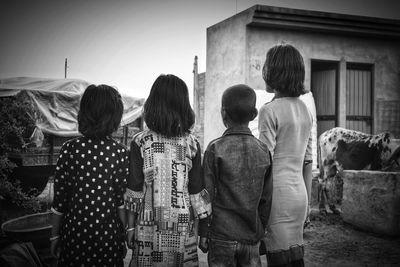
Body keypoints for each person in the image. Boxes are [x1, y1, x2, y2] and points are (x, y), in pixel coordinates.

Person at [125, 74, 211, 267]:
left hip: (147, 228)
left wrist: (130, 228)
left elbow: (134, 190)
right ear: (184, 107)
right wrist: (204, 232)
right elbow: (197, 193)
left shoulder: (140, 141)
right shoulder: (192, 144)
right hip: (183, 230)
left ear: (152, 105)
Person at [50, 84, 128, 266]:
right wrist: (124, 236)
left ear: (84, 113)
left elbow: (59, 202)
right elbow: (121, 203)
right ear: (114, 117)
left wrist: (54, 236)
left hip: (73, 240)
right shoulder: (120, 153)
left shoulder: (69, 149)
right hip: (108, 242)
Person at [199, 84, 273, 267]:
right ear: (254, 115)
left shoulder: (215, 148)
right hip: (251, 237)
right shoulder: (263, 150)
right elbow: (267, 198)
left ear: (223, 113)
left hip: (221, 235)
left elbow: (206, 196)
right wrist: (260, 230)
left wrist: (203, 231)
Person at [258, 44, 313, 267]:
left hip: (277, 199)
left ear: (272, 73)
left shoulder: (269, 111)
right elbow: (308, 163)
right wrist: (308, 203)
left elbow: (264, 162)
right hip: (300, 196)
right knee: (295, 259)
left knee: (277, 259)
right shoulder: (305, 110)